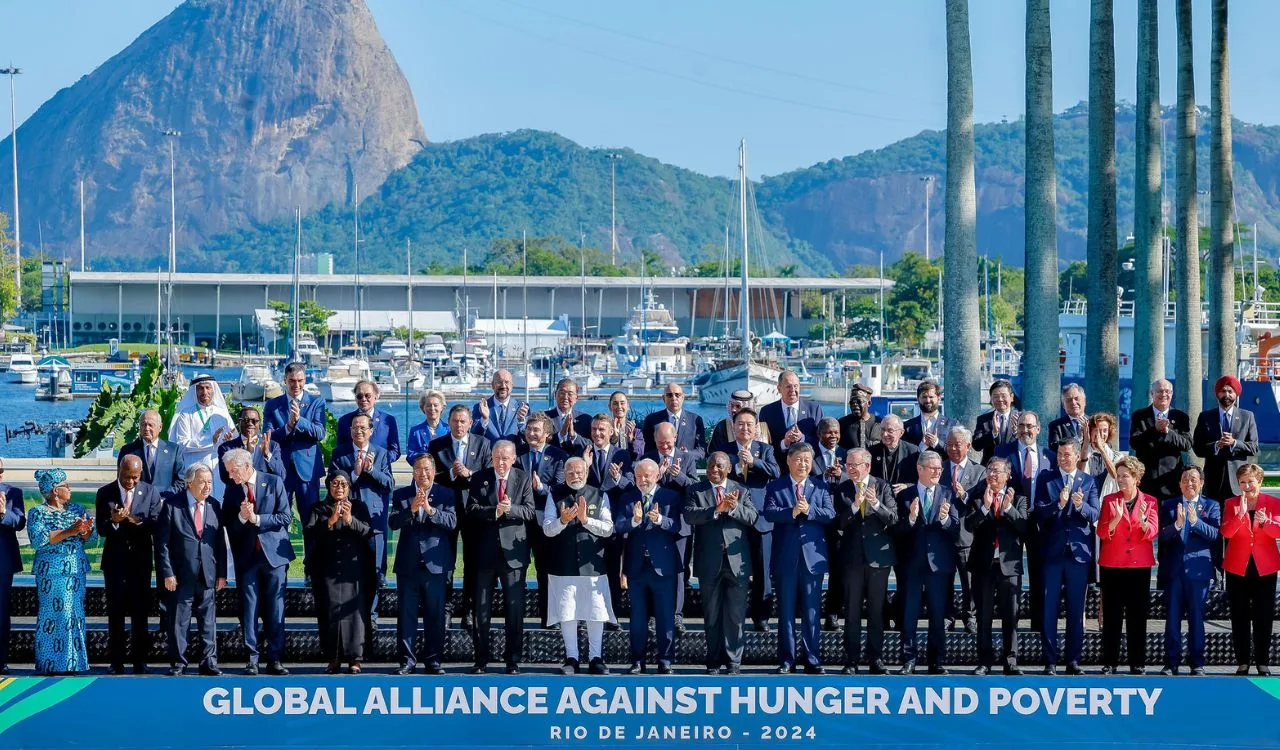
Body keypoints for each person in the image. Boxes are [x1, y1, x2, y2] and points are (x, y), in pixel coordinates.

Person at [221, 448, 293, 676]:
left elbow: (285, 516)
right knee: (249, 608)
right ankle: (252, 658)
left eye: (233, 471)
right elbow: (228, 524)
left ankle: (275, 658)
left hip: (274, 556)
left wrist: (257, 519)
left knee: (275, 608)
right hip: (248, 557)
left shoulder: (273, 481)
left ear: (246, 466)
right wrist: (242, 518)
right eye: (228, 472)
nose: (231, 476)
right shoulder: (231, 490)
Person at [764, 443, 835, 675]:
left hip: (812, 560)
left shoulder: (820, 486)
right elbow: (769, 512)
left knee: (812, 612)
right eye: (798, 459)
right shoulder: (776, 486)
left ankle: (813, 659)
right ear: (788, 461)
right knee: (785, 611)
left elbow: (830, 514)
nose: (803, 464)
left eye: (807, 460)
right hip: (786, 559)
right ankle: (787, 659)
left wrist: (809, 510)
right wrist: (791, 512)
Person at [683, 452, 756, 675]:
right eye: (712, 465)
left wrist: (733, 508)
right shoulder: (696, 490)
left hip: (737, 563)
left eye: (720, 466)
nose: (715, 469)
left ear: (729, 469)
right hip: (709, 563)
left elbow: (753, 517)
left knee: (735, 616)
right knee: (712, 615)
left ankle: (734, 662)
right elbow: (689, 516)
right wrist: (716, 510)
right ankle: (713, 661)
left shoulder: (741, 490)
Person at [466, 441, 536, 674]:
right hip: (485, 554)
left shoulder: (523, 478)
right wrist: (494, 511)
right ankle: (481, 660)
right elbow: (471, 510)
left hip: (513, 555)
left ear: (514, 458)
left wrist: (510, 509)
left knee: (514, 610)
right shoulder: (479, 478)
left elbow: (529, 511)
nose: (501, 462)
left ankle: (512, 660)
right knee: (481, 609)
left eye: (505, 458)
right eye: (497, 457)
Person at [545, 457, 617, 675]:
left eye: (579, 472)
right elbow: (547, 529)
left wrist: (586, 520)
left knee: (596, 612)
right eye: (570, 472)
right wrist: (563, 521)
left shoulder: (600, 494)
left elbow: (608, 529)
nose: (575, 476)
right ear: (564, 474)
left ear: (586, 472)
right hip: (563, 565)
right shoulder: (554, 495)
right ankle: (572, 658)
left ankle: (596, 657)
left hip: (592, 565)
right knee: (567, 613)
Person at [1035, 438, 1099, 675]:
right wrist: (1058, 504)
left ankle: (1073, 660)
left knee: (1075, 610)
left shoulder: (1089, 481)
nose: (1063, 458)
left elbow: (1095, 514)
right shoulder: (1046, 478)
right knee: (1049, 609)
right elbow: (1039, 512)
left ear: (1076, 456)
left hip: (1078, 556)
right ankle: (1050, 661)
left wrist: (1080, 506)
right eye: (1060, 454)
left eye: (1067, 454)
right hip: (1052, 554)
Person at [330, 413, 395, 643]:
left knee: (375, 571)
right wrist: (355, 473)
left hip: (375, 521)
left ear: (370, 431)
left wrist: (370, 470)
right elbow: (333, 483)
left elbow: (390, 483)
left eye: (363, 428)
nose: (358, 431)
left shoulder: (382, 453)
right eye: (355, 428)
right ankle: (349, 615)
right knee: (349, 570)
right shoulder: (340, 454)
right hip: (349, 520)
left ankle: (372, 615)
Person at [156, 465, 227, 676]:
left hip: (208, 574)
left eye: (210, 483)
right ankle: (179, 662)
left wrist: (222, 573)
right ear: (189, 483)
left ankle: (209, 662)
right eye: (203, 482)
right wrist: (167, 573)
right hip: (180, 575)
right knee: (179, 621)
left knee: (208, 621)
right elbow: (163, 544)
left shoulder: (215, 505)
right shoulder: (172, 506)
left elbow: (220, 543)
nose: (207, 487)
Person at [96, 455, 163, 674]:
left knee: (140, 613)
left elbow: (155, 523)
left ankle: (139, 661)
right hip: (115, 563)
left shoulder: (150, 492)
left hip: (140, 563)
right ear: (119, 470)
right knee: (115, 613)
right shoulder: (105, 493)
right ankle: (116, 662)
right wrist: (114, 522)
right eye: (127, 477)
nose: (131, 482)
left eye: (135, 477)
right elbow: (101, 528)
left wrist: (135, 520)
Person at [389, 456, 456, 675]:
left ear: (434, 471)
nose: (423, 473)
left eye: (427, 469)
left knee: (435, 615)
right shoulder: (402, 494)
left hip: (435, 564)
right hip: (408, 565)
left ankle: (434, 660)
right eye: (418, 469)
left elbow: (451, 522)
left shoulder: (446, 494)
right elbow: (393, 522)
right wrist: (411, 509)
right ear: (413, 472)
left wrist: (430, 510)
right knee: (406, 615)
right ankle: (407, 660)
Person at [895, 451, 960, 674]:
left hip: (938, 565)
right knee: (909, 614)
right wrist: (911, 518)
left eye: (939, 469)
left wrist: (944, 518)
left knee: (938, 614)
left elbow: (956, 527)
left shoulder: (947, 493)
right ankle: (909, 659)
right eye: (932, 468)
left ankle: (937, 661)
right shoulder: (905, 496)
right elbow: (897, 530)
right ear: (920, 469)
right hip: (912, 564)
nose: (937, 472)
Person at [615, 458, 682, 675]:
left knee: (665, 617)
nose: (643, 480)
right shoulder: (628, 498)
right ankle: (637, 660)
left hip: (663, 567)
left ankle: (665, 660)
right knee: (637, 619)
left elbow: (677, 526)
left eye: (647, 476)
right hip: (637, 568)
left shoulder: (670, 497)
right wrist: (634, 521)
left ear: (657, 475)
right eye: (639, 476)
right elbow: (618, 527)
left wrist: (660, 519)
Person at [833, 448, 895, 675]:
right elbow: (838, 523)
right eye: (848, 465)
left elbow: (893, 518)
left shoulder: (883, 486)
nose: (850, 469)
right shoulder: (842, 489)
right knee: (851, 611)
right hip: (852, 560)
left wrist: (876, 504)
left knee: (877, 612)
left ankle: (875, 658)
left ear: (867, 466)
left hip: (878, 559)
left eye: (854, 465)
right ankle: (851, 660)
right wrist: (854, 505)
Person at [28, 468, 96, 675]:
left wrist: (85, 531)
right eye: (65, 485)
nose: (69, 488)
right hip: (52, 572)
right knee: (56, 615)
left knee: (74, 614)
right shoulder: (38, 512)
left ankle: (73, 662)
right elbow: (38, 539)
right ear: (55, 491)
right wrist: (70, 531)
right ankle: (51, 663)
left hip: (75, 570)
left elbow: (90, 539)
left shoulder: (76, 509)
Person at [430, 405, 492, 631]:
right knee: (445, 564)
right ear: (449, 421)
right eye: (455, 421)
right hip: (446, 510)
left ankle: (469, 611)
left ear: (470, 422)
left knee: (472, 564)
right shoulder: (437, 445)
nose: (459, 425)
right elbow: (431, 477)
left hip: (473, 512)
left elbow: (488, 478)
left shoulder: (482, 443)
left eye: (463, 421)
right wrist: (452, 474)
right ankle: (445, 611)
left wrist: (470, 474)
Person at [308, 469, 376, 674]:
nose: (339, 488)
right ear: (329, 486)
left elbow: (367, 531)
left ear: (349, 487)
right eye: (335, 484)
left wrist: (349, 520)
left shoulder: (359, 507)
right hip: (327, 571)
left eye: (343, 484)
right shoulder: (319, 508)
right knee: (329, 614)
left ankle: (355, 659)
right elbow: (310, 532)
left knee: (355, 615)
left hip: (354, 571)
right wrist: (330, 521)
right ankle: (333, 658)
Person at [964, 458, 1028, 675]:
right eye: (989, 470)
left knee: (1011, 616)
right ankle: (984, 661)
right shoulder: (977, 497)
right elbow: (969, 524)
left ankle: (1010, 661)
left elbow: (1023, 526)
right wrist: (984, 507)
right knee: (984, 617)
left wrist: (1008, 508)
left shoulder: (1019, 499)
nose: (992, 475)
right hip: (983, 565)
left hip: (1009, 566)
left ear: (1008, 475)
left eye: (997, 471)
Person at [1096, 456, 1158, 675]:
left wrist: (1142, 522)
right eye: (1118, 476)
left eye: (1125, 476)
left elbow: (1152, 532)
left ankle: (1137, 663)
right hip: (1112, 566)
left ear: (1136, 478)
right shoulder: (1110, 500)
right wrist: (1115, 520)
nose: (1121, 480)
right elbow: (1101, 532)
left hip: (1139, 567)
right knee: (1112, 616)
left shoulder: (1150, 501)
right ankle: (1110, 662)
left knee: (1137, 616)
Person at [264, 362, 328, 567]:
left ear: (305, 380)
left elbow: (319, 433)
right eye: (292, 381)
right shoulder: (273, 405)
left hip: (307, 471)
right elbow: (268, 436)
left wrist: (299, 421)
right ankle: (279, 564)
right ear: (285, 380)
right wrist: (288, 426)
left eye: (300, 381)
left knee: (310, 520)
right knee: (279, 517)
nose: (296, 385)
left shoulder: (316, 403)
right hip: (280, 470)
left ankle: (311, 567)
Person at [995, 409, 1054, 631]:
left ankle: (1038, 624)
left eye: (1030, 426)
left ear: (1038, 429)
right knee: (1011, 576)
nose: (1025, 430)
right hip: (1011, 521)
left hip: (1039, 523)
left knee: (1040, 575)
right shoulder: (1002, 452)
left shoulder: (1049, 456)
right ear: (1015, 429)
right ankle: (1011, 624)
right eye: (1021, 426)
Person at [1157, 466, 1220, 676]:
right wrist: (1177, 525)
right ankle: (1171, 662)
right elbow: (1163, 537)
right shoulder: (1169, 505)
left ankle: (1197, 662)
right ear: (1179, 484)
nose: (1189, 483)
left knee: (1196, 618)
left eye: (1193, 479)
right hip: (1174, 572)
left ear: (1201, 483)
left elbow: (1214, 535)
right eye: (1185, 479)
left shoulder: (1211, 506)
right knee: (1172, 619)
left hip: (1199, 572)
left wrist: (1195, 522)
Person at [1220, 463, 1280, 676]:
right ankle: (1243, 662)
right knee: (1240, 616)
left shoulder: (1273, 503)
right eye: (1242, 482)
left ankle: (1263, 662)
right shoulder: (1231, 503)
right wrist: (1240, 515)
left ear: (1260, 481)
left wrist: (1266, 522)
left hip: (1265, 568)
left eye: (1250, 482)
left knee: (1264, 616)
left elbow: (1278, 532)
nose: (1246, 486)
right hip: (1238, 568)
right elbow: (1226, 532)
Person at [724, 408, 781, 632]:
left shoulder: (765, 449)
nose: (745, 428)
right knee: (734, 570)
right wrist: (738, 466)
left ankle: (762, 616)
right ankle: (734, 616)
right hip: (734, 518)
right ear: (733, 426)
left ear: (756, 427)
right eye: (740, 424)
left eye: (749, 424)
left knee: (762, 571)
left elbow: (775, 472)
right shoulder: (726, 450)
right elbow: (718, 474)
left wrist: (754, 462)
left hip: (761, 519)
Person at [642, 421, 698, 634]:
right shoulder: (648, 458)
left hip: (680, 524)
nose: (664, 447)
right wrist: (658, 476)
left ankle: (676, 616)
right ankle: (654, 616)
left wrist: (678, 476)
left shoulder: (687, 459)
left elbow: (695, 489)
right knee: (653, 570)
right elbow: (642, 486)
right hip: (654, 523)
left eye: (667, 443)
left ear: (675, 439)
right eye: (660, 443)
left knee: (678, 572)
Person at [517, 413, 565, 628]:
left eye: (536, 430)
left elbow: (561, 488)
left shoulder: (558, 456)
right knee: (517, 570)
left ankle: (549, 618)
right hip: (520, 522)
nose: (531, 434)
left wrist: (541, 488)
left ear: (547, 433)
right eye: (529, 429)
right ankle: (516, 619)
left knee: (546, 570)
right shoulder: (517, 455)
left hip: (546, 521)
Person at [943, 425, 986, 634]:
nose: (952, 449)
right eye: (949, 444)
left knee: (969, 581)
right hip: (942, 535)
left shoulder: (979, 472)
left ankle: (970, 617)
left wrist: (964, 496)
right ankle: (947, 616)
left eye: (957, 445)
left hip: (967, 535)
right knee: (945, 580)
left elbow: (981, 504)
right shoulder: (939, 468)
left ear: (968, 446)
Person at [1193, 375, 1260, 503]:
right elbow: (1197, 448)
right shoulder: (1205, 417)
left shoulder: (1247, 416)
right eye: (1223, 391)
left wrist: (1234, 443)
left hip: (1238, 481)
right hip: (1213, 482)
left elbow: (1254, 447)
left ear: (1236, 394)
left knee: (1236, 521)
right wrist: (1216, 445)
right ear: (1217, 394)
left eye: (1230, 391)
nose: (1227, 395)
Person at [169, 373, 235, 498]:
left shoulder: (222, 414)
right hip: (195, 468)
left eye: (207, 388)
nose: (204, 392)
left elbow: (234, 438)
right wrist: (211, 440)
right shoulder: (186, 415)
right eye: (200, 388)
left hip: (218, 471)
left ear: (213, 389)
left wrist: (228, 441)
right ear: (195, 391)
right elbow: (181, 444)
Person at [1129, 379, 1193, 499]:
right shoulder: (1139, 416)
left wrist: (1169, 433)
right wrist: (1154, 430)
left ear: (1172, 394)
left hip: (1172, 480)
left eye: (1167, 391)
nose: (1164, 394)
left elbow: (1187, 444)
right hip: (1146, 479)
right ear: (1152, 394)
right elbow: (1134, 442)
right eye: (1159, 391)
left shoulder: (1181, 417)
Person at [812, 416, 846, 630]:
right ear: (819, 434)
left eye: (836, 432)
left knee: (838, 569)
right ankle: (810, 610)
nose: (833, 436)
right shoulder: (809, 454)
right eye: (828, 432)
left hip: (839, 522)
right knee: (812, 569)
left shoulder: (846, 455)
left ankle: (832, 613)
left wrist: (841, 476)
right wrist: (823, 477)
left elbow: (855, 482)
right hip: (815, 520)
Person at [760, 370, 824, 462]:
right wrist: (784, 443)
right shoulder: (767, 411)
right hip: (779, 467)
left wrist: (802, 438)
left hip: (807, 468)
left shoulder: (814, 409)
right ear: (779, 388)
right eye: (788, 386)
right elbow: (763, 445)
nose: (793, 390)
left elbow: (821, 441)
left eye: (795, 386)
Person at [119, 409, 184, 494]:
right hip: (137, 503)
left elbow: (181, 481)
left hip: (165, 502)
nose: (146, 428)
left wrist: (164, 498)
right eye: (143, 424)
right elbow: (121, 480)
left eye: (150, 425)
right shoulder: (127, 451)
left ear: (160, 427)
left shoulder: (173, 450)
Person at [336, 380, 401, 464]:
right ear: (355, 398)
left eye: (368, 395)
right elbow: (340, 450)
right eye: (359, 396)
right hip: (353, 471)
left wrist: (379, 461)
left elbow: (395, 451)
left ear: (376, 396)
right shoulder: (344, 421)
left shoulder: (388, 420)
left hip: (380, 472)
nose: (364, 399)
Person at [217, 406, 285, 487]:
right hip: (238, 496)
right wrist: (246, 454)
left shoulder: (272, 446)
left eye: (254, 421)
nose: (250, 423)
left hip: (264, 495)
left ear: (259, 423)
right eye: (246, 420)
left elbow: (281, 475)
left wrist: (267, 454)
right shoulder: (227, 448)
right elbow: (225, 478)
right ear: (239, 422)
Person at [0, 458, 25, 675]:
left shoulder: (13, 493)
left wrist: (2, 513)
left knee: (1, 610)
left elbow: (19, 521)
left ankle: (1, 660)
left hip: (2, 560)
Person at [641, 383, 706, 463]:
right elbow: (647, 450)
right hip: (659, 468)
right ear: (663, 398)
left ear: (683, 397)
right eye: (669, 395)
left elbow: (701, 451)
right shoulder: (652, 420)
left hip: (685, 470)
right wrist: (663, 455)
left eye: (677, 395)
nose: (674, 398)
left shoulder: (695, 420)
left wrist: (686, 454)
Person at [473, 369, 530, 443]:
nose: (503, 386)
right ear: (493, 385)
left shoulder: (522, 407)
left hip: (514, 454)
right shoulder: (480, 407)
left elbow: (529, 438)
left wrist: (521, 422)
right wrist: (484, 419)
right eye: (499, 382)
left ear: (512, 386)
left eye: (507, 382)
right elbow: (473, 436)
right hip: (489, 454)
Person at [972, 380, 1019, 465]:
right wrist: (993, 433)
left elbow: (1029, 443)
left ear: (1011, 397)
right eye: (996, 396)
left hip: (1014, 468)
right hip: (990, 468)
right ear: (991, 399)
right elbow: (976, 445)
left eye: (1003, 396)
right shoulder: (983, 420)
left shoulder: (1021, 418)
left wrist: (1017, 433)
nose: (1000, 399)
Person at [902, 379, 954, 456]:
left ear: (939, 398)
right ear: (918, 399)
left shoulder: (951, 425)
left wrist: (936, 443)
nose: (928, 400)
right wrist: (922, 445)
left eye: (931, 397)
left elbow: (955, 452)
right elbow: (905, 454)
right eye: (924, 397)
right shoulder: (907, 427)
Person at [869, 415, 919, 491]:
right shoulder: (872, 451)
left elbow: (922, 478)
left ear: (901, 432)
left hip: (904, 497)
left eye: (890, 431)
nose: (885, 434)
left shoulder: (913, 451)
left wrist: (907, 486)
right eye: (882, 429)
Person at [545, 378, 593, 456]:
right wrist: (560, 435)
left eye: (570, 394)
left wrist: (574, 436)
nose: (565, 397)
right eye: (562, 393)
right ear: (555, 394)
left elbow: (591, 444)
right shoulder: (544, 418)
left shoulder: (586, 419)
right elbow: (539, 442)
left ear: (576, 398)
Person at [1083, 412, 1123, 496]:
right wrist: (1086, 443)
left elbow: (1114, 475)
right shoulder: (1081, 453)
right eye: (1097, 430)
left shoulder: (1117, 456)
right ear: (1090, 431)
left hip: (1106, 498)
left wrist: (1101, 449)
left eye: (1105, 430)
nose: (1101, 434)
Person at [406, 390, 449, 465]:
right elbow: (410, 457)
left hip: (444, 475)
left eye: (435, 405)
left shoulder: (449, 430)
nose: (432, 408)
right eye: (428, 405)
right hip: (423, 474)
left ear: (442, 407)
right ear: (423, 408)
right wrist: (428, 452)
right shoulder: (416, 431)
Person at [837, 384, 881, 451]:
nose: (855, 405)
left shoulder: (879, 423)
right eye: (852, 402)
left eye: (859, 401)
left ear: (869, 403)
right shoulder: (842, 423)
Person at [1047, 383, 1089, 451]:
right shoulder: (1056, 426)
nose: (1073, 402)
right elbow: (1054, 448)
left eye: (1076, 398)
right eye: (1069, 400)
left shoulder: (1094, 422)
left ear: (1084, 401)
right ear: (1063, 405)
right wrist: (1078, 441)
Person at [606, 391, 645, 458]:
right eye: (615, 404)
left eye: (622, 403)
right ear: (610, 407)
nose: (619, 407)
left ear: (628, 406)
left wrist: (631, 440)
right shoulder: (604, 430)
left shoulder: (636, 431)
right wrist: (613, 439)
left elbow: (638, 455)